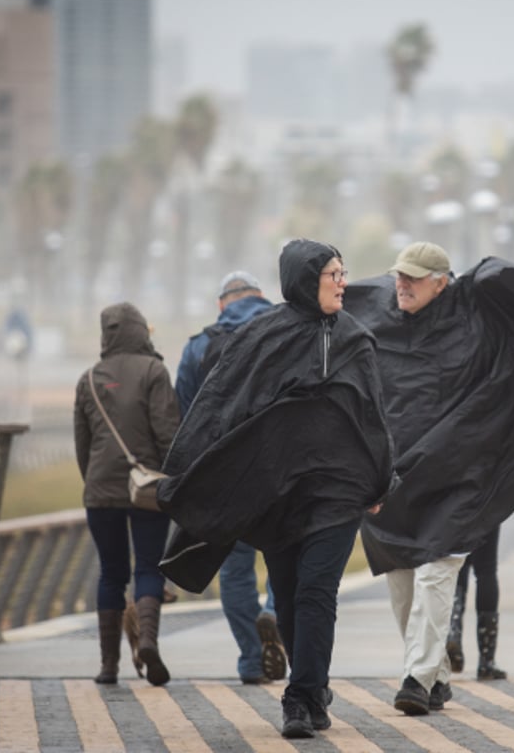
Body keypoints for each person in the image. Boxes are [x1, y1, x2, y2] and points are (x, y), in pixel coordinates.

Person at [158, 239, 393, 739]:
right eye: (333, 274)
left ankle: (300, 696)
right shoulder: (261, 337)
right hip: (279, 496)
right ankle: (315, 685)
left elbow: (374, 414)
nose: (342, 283)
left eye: (343, 273)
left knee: (315, 591)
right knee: (285, 595)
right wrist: (193, 472)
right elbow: (224, 405)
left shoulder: (355, 338)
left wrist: (379, 476)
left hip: (338, 493)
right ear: (305, 280)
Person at [343, 242, 514, 717]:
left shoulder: (476, 323)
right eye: (399, 275)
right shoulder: (379, 318)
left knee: (436, 572)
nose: (402, 284)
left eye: (415, 278)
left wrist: (486, 273)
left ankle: (417, 679)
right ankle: (436, 672)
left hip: (460, 479)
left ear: (442, 282)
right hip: (397, 479)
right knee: (402, 578)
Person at [174, 269, 287, 686]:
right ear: (261, 297)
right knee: (284, 559)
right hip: (278, 472)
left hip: (222, 479)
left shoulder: (198, 347)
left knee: (235, 570)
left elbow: (183, 423)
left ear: (222, 304)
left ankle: (252, 661)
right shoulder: (286, 333)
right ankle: (274, 613)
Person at [73, 302, 180, 686]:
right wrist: (175, 481)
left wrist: (96, 485)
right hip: (147, 489)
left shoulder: (87, 380)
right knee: (148, 568)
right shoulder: (154, 371)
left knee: (111, 574)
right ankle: (148, 642)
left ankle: (108, 666)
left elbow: (82, 447)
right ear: (141, 331)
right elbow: (167, 433)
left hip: (100, 493)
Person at [446, 526, 507, 680]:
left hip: (456, 507)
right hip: (487, 507)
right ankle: (487, 661)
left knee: (458, 564)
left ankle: (453, 633)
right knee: (486, 570)